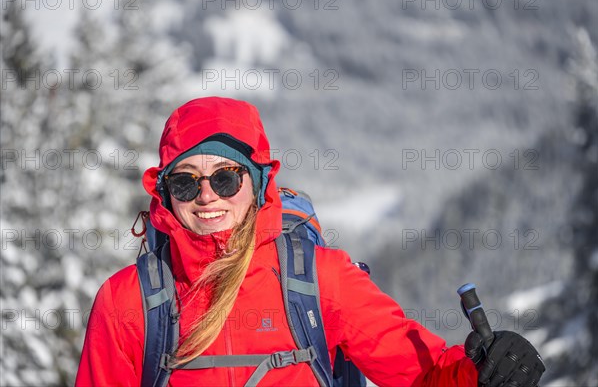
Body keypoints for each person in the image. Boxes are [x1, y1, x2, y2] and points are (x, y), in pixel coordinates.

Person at [75, 97, 545, 386]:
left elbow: (422, 373)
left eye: (225, 178)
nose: (204, 196)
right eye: (184, 182)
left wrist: (483, 371)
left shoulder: (319, 279)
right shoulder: (127, 301)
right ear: (165, 195)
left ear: (258, 184)